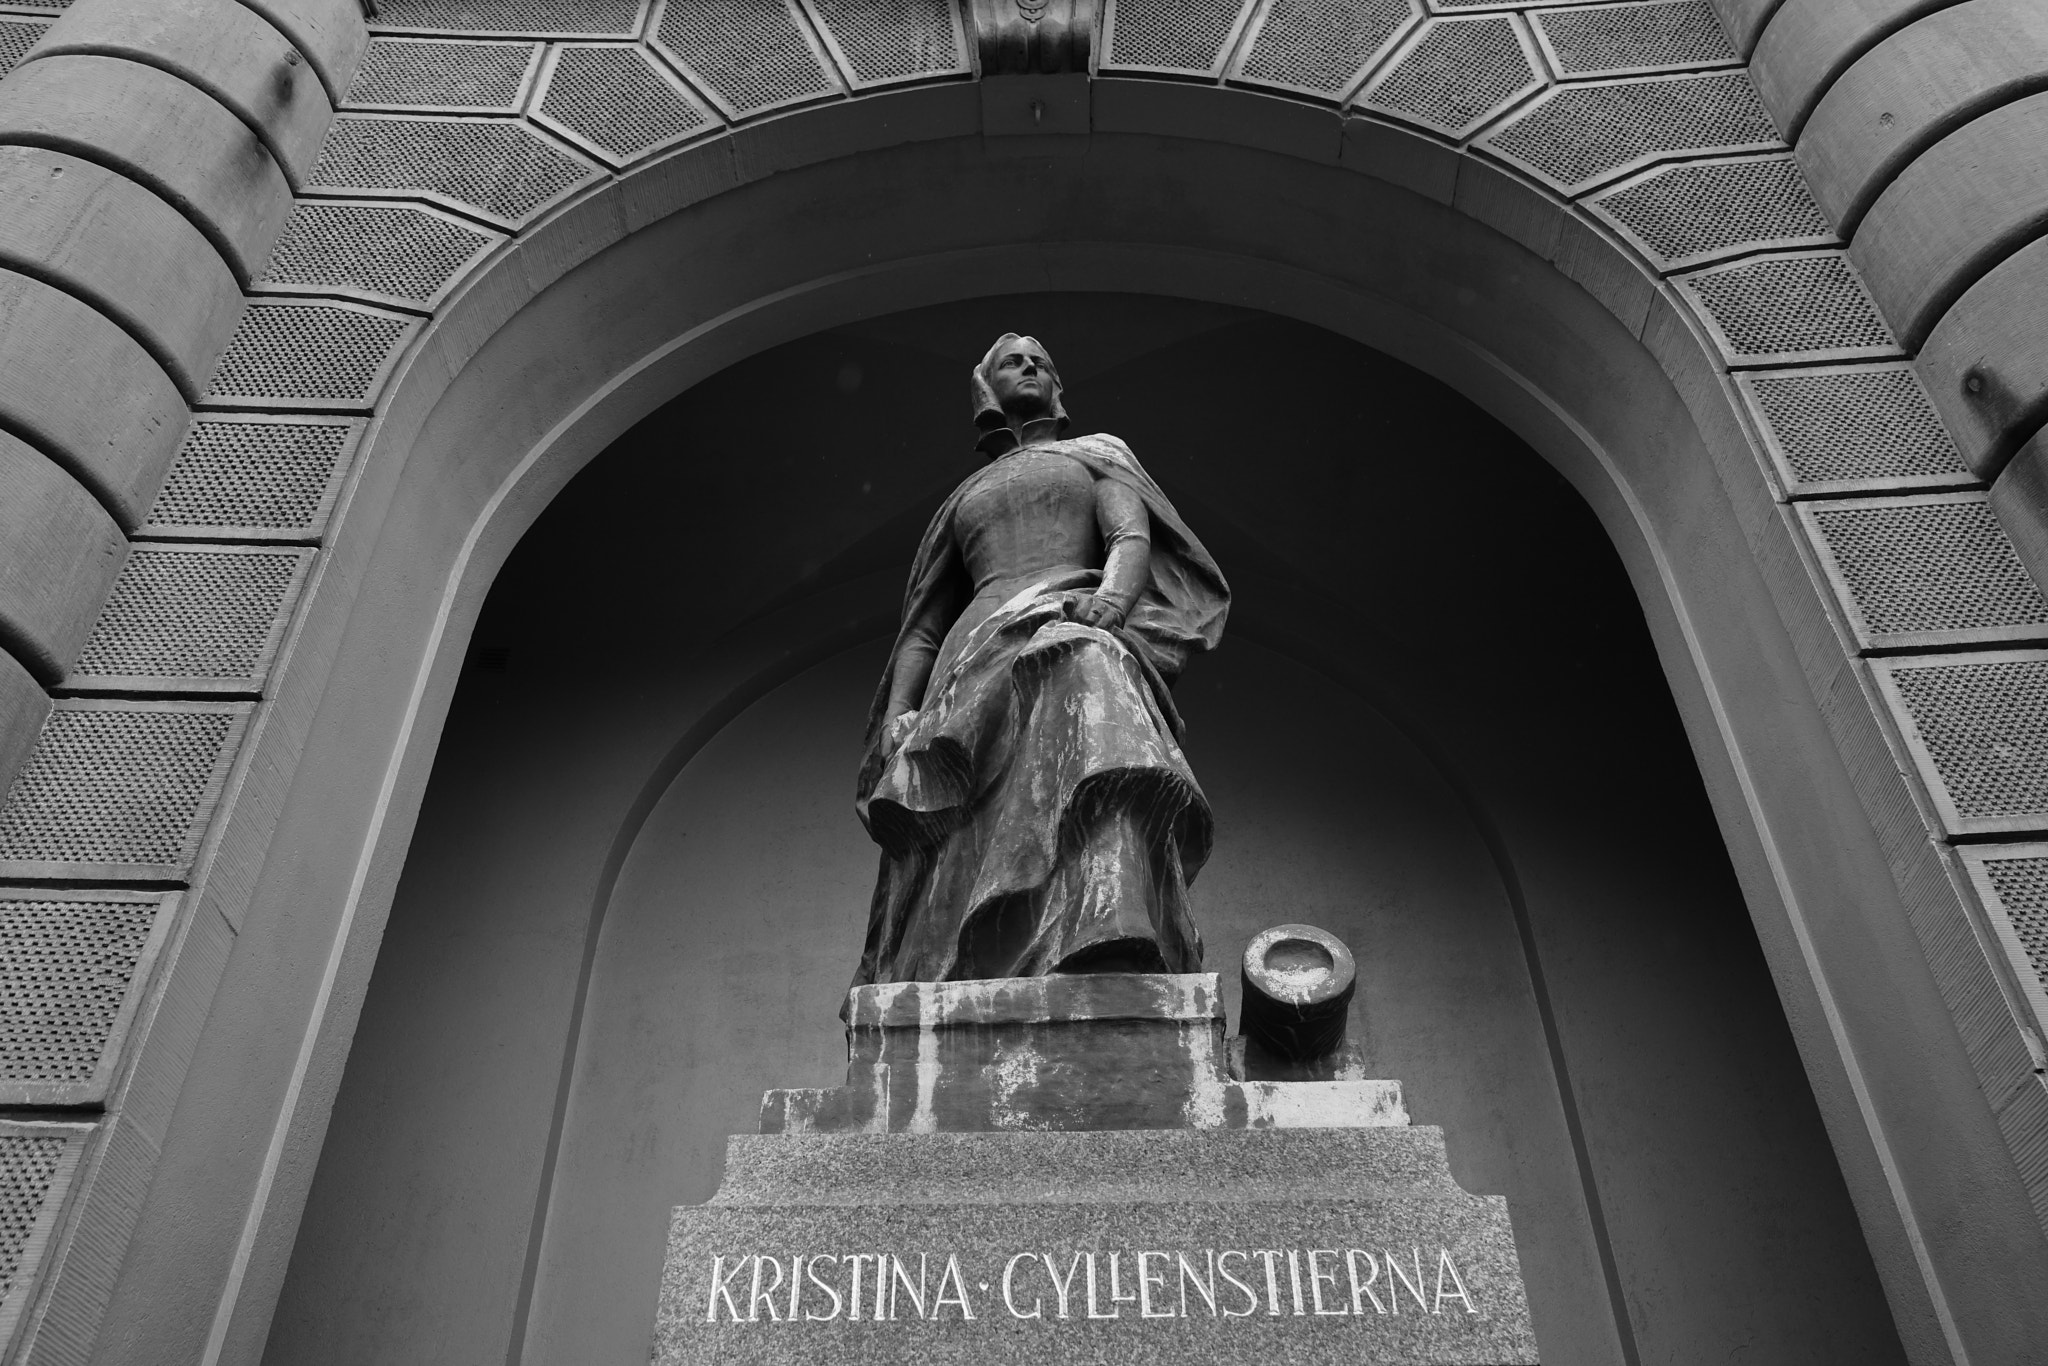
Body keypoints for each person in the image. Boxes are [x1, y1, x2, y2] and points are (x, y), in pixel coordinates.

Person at [852, 332, 1230, 986]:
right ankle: (957, 959)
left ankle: (1107, 920)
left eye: (1039, 360)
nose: (1027, 365)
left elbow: (1129, 536)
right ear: (985, 389)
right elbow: (922, 627)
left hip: (1074, 616)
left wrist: (1110, 605)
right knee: (959, 803)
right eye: (1010, 362)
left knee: (1087, 669)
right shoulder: (962, 500)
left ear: (1058, 387)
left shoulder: (1095, 457)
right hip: (973, 647)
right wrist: (899, 714)